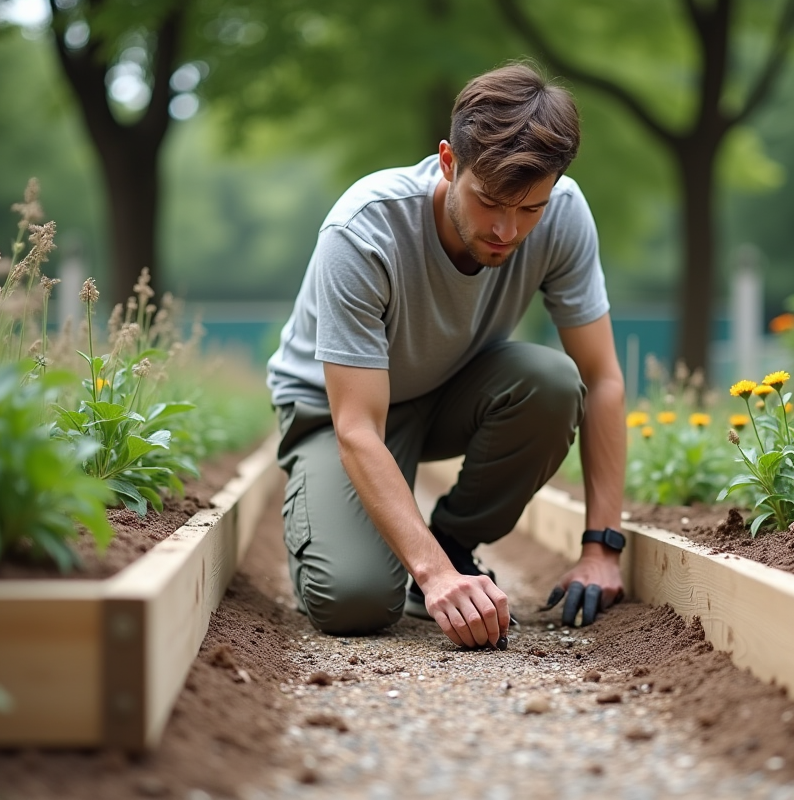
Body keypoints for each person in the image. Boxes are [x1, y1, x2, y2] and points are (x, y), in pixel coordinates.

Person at [266, 62, 627, 651]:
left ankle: (454, 542)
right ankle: (424, 562)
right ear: (448, 162)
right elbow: (357, 426)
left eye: (530, 209)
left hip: (455, 388)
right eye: (490, 202)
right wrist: (431, 577)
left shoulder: (563, 212)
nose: (508, 231)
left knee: (554, 382)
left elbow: (602, 378)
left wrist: (600, 549)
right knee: (353, 598)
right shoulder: (363, 233)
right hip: (340, 413)